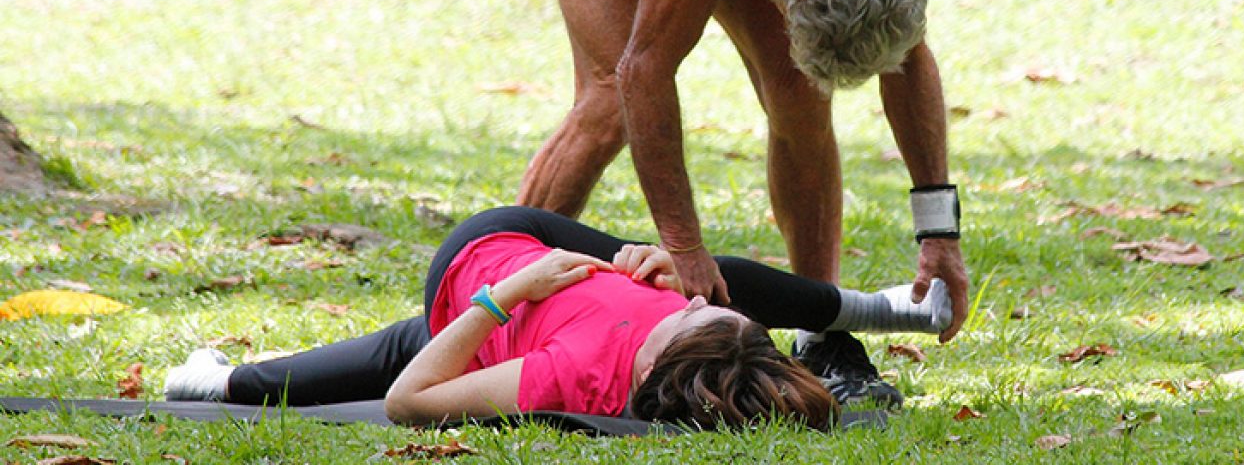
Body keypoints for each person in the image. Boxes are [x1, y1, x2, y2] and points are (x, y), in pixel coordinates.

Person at [509, 0, 969, 407]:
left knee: (799, 103)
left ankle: (823, 334)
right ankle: (488, 297)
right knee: (611, 97)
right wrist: (684, 246)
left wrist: (939, 235)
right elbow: (647, 70)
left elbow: (910, 56)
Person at [164, 207, 952, 427]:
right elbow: (718, 328)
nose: (687, 306)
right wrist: (661, 271)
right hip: (551, 278)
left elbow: (408, 401)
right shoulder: (713, 352)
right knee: (704, 271)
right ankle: (882, 308)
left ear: (656, 366)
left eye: (682, 318)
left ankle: (220, 382)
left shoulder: (572, 375)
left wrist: (507, 295)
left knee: (383, 362)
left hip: (487, 261)